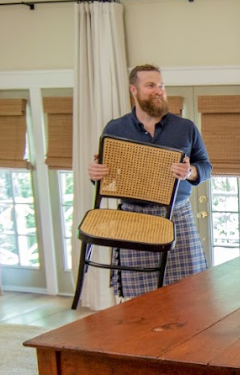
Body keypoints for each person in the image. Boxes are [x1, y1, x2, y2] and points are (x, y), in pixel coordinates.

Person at [87, 63, 212, 298]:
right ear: (133, 90)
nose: (159, 90)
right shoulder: (115, 129)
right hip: (133, 220)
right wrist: (96, 175)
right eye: (151, 85)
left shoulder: (186, 128)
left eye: (161, 85)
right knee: (139, 301)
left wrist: (190, 172)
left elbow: (205, 167)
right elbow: (107, 177)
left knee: (189, 296)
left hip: (177, 218)